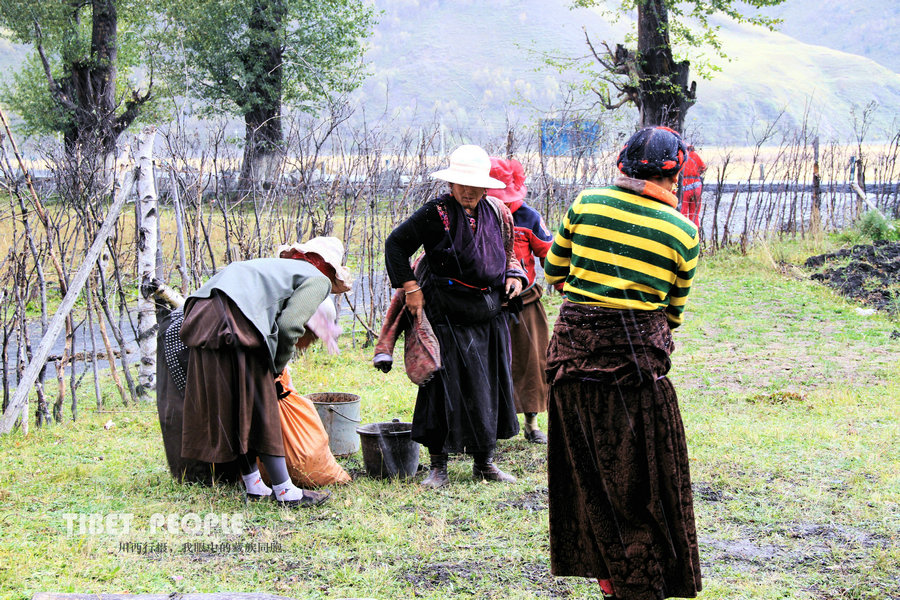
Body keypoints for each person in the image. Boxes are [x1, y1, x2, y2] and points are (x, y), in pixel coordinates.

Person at [543, 126, 702, 599]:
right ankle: (643, 585)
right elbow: (671, 313)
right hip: (636, 380)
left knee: (587, 482)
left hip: (571, 371)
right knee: (642, 486)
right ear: (674, 173)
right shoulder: (684, 233)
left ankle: (609, 581)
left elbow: (554, 273)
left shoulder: (585, 205)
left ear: (624, 164)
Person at [384, 144, 528, 489]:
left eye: (474, 184)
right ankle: (439, 467)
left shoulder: (499, 213)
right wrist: (411, 287)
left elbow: (509, 254)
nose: (467, 190)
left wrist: (513, 275)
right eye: (460, 184)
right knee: (442, 388)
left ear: (485, 185)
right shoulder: (437, 212)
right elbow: (396, 245)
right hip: (444, 312)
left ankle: (484, 462)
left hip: (487, 313)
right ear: (450, 184)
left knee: (486, 386)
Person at [179, 236, 352, 507]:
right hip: (234, 319)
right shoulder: (316, 279)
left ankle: (254, 485)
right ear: (325, 267)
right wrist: (276, 367)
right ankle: (286, 491)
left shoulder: (273, 270)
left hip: (200, 314)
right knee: (262, 403)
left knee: (239, 404)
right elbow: (289, 326)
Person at [486, 157, 554, 444]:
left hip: (525, 302)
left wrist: (567, 285)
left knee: (532, 362)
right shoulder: (475, 215)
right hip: (485, 304)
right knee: (487, 365)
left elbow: (551, 257)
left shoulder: (529, 218)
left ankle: (531, 424)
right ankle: (487, 425)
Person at [679, 144, 706, 228]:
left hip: (684, 187)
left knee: (682, 215)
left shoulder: (680, 156)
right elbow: (703, 168)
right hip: (697, 187)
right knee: (694, 216)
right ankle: (696, 237)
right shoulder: (695, 155)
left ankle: (683, 237)